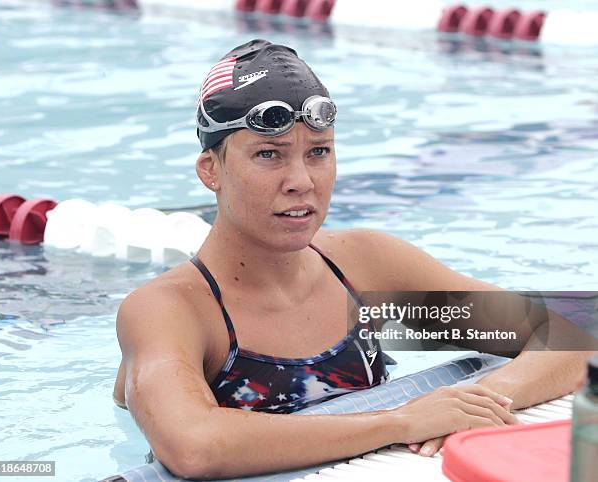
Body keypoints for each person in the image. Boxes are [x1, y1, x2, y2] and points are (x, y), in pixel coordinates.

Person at [113, 39, 591, 479]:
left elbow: (568, 338)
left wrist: (474, 407)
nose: (301, 180)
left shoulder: (364, 269)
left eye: (318, 152)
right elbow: (194, 446)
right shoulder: (172, 309)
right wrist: (400, 420)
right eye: (269, 155)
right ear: (210, 170)